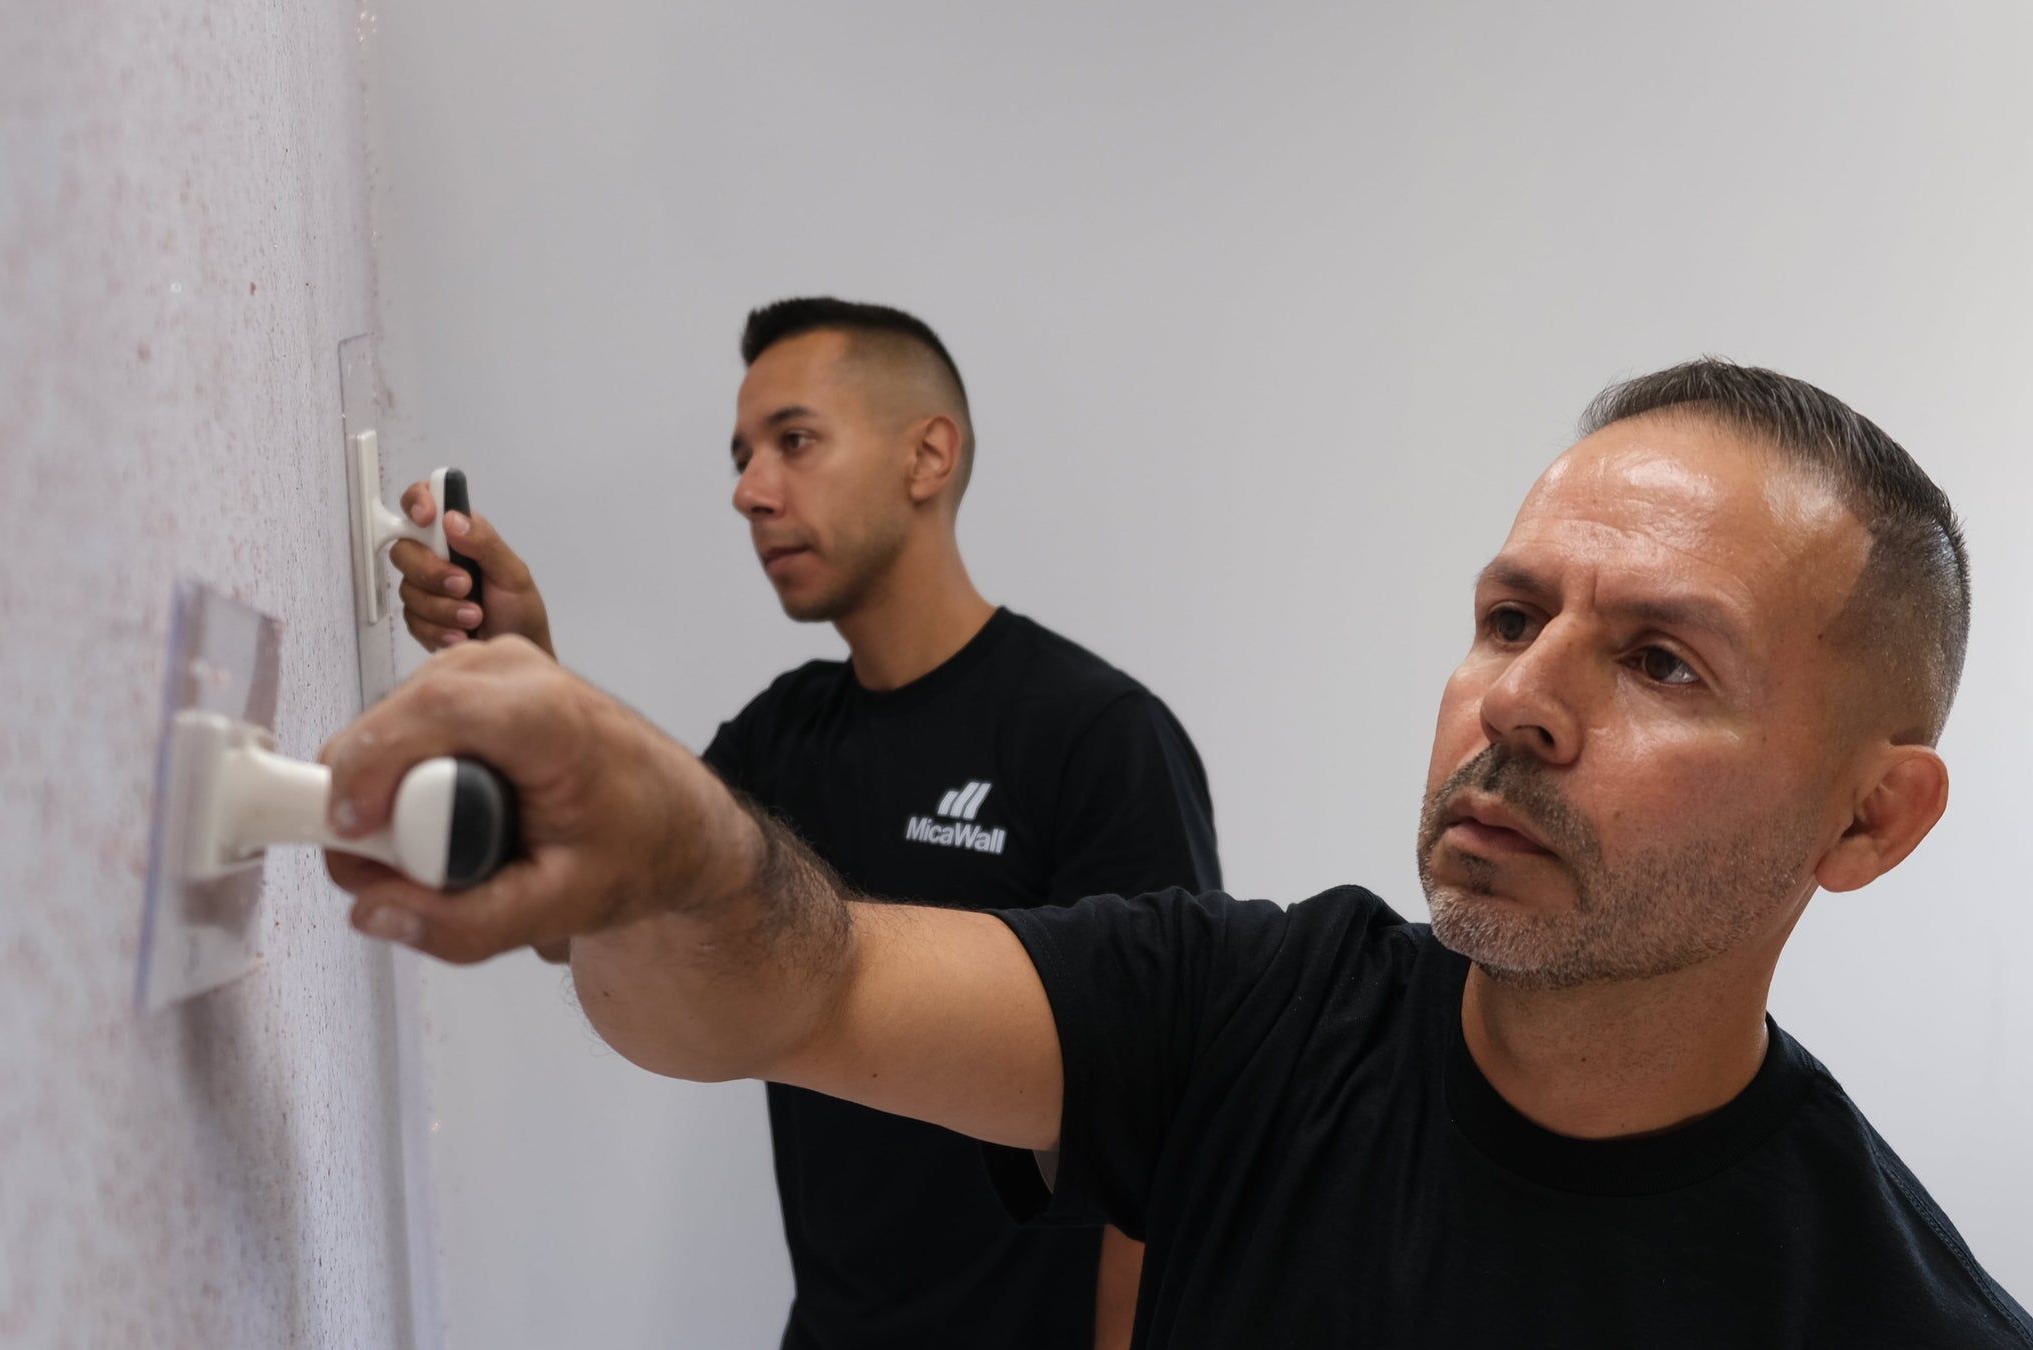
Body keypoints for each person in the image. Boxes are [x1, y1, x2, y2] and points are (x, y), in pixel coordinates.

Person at [336, 358, 2032, 1347]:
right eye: (1510, 615)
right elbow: (805, 981)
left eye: (1663, 663)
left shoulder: (1900, 1320)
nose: (1520, 701)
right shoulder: (1259, 1013)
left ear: (1868, 818)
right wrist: (660, 850)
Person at [386, 297, 1220, 1350]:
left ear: (928, 456)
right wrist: (525, 673)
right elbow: (595, 915)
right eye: (742, 456)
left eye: (795, 441)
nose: (749, 491)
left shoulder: (1097, 737)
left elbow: (1174, 1116)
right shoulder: (783, 738)